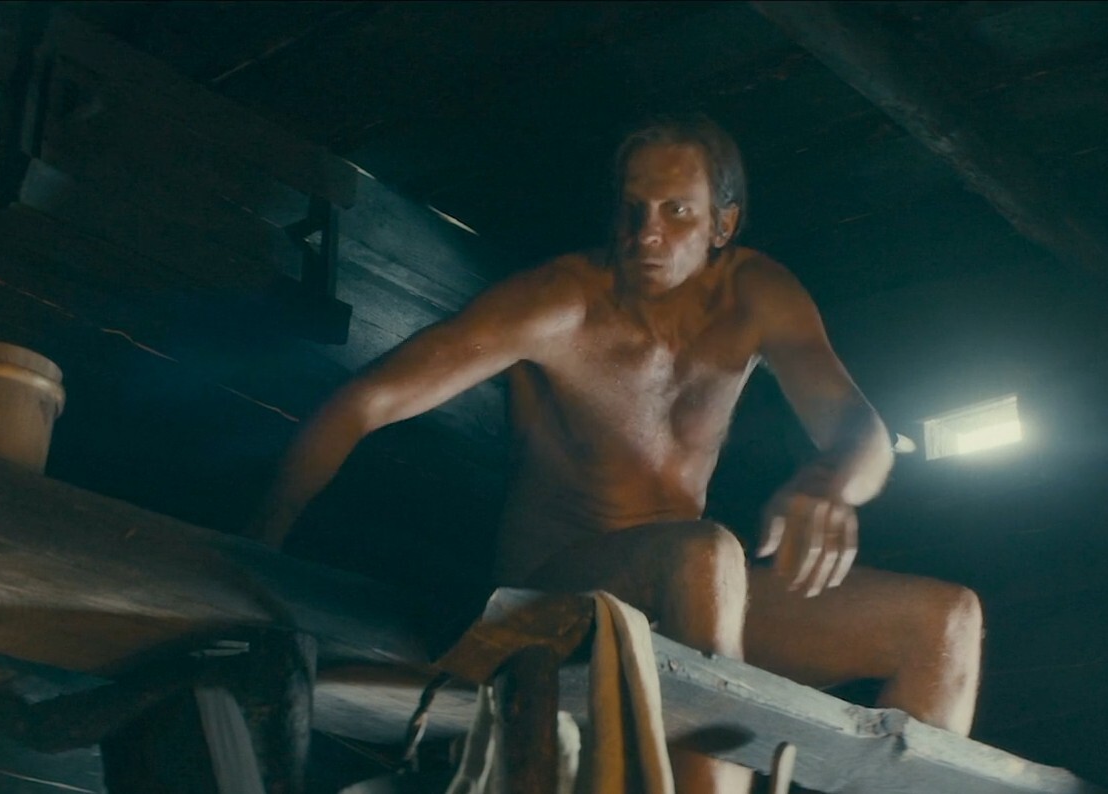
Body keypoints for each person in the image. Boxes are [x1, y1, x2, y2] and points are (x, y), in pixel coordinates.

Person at [251, 115, 983, 794]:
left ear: (723, 224)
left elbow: (862, 432)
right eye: (633, 209)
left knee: (944, 620)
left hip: (697, 604)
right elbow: (364, 403)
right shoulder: (558, 301)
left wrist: (831, 480)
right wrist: (259, 544)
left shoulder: (755, 295)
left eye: (677, 211)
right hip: (549, 598)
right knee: (705, 552)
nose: (647, 234)